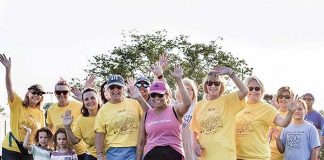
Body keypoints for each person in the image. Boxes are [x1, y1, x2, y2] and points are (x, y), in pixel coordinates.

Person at [190, 66, 248, 160]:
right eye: (210, 83)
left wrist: (231, 73)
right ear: (206, 85)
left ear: (221, 86)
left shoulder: (228, 100)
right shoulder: (199, 105)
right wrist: (195, 144)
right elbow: (194, 130)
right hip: (206, 155)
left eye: (216, 83)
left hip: (225, 155)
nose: (213, 86)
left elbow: (245, 91)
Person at [136, 64, 191, 160]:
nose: (156, 98)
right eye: (153, 95)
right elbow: (141, 143)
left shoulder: (175, 109)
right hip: (151, 155)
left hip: (174, 154)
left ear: (167, 95)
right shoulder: (147, 114)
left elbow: (187, 103)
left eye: (160, 95)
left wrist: (179, 80)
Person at [235, 76, 297, 159]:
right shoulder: (238, 105)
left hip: (258, 157)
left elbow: (283, 123)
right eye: (250, 88)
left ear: (261, 91)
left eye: (257, 88)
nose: (253, 91)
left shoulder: (267, 108)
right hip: (238, 156)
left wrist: (290, 112)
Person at [1, 54, 46, 160]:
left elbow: (41, 133)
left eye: (39, 94)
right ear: (28, 94)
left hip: (29, 149)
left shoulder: (41, 113)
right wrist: (8, 69)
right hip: (11, 148)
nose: (37, 95)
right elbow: (9, 88)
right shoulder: (18, 104)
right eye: (34, 92)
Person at [95, 74, 147, 160]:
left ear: (124, 88)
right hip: (113, 151)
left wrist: (140, 98)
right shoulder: (103, 109)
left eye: (119, 87)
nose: (116, 90)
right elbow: (99, 133)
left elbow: (149, 115)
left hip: (135, 149)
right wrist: (100, 154)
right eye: (112, 87)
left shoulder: (135, 102)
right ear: (108, 89)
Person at [46, 79, 87, 159]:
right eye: (58, 92)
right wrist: (53, 145)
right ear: (55, 93)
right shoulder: (51, 110)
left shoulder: (79, 105)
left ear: (69, 93)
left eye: (65, 92)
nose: (62, 94)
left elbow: (95, 109)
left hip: (82, 151)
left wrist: (82, 98)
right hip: (63, 154)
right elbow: (50, 130)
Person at [63, 88, 101, 160]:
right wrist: (67, 127)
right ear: (83, 102)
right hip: (92, 156)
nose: (90, 101)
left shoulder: (106, 112)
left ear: (98, 99)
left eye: (92, 98)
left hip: (111, 153)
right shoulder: (80, 120)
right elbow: (75, 141)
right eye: (86, 99)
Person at [174, 78, 198, 160]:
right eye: (185, 89)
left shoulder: (198, 107)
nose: (188, 91)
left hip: (194, 150)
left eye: (191, 89)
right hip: (177, 149)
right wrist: (159, 75)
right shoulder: (173, 107)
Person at [269, 86, 294, 160]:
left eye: (287, 96)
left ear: (291, 98)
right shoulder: (272, 113)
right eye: (280, 96)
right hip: (272, 156)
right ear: (277, 98)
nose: (283, 99)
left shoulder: (296, 115)